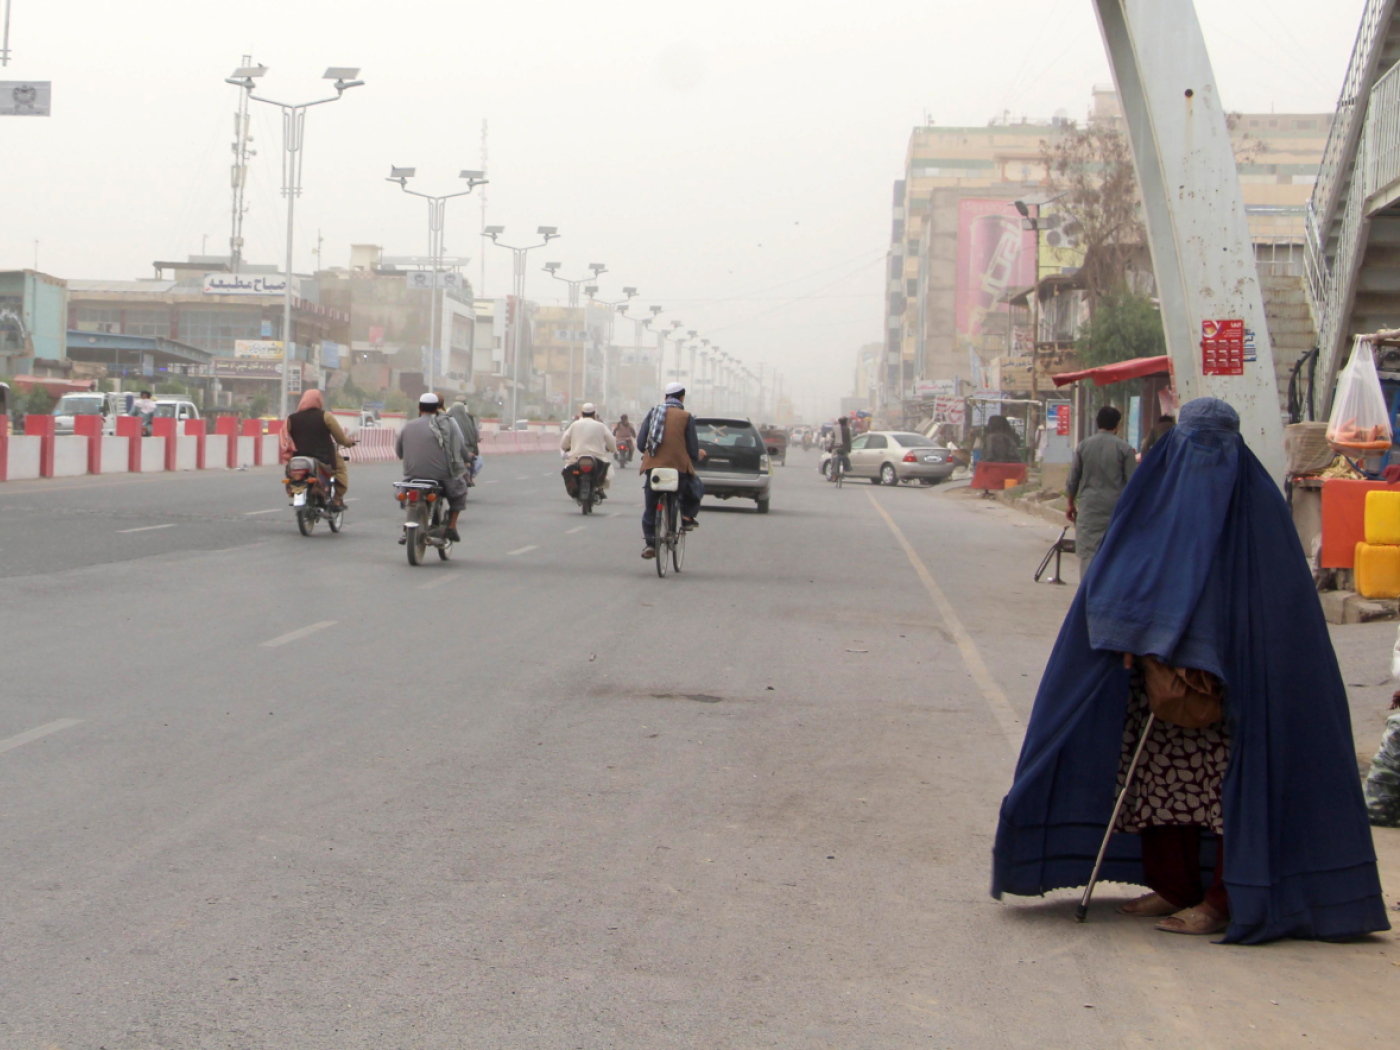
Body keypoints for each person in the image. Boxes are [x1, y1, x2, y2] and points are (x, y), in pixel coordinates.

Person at [992, 398, 1389, 943]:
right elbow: (1116, 578)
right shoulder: (1154, 502)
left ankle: (1225, 898)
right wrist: (1135, 635)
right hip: (1162, 685)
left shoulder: (1258, 513)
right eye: (1195, 443)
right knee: (1159, 786)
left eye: (1215, 445)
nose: (1205, 458)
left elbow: (1280, 610)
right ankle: (1174, 885)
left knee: (1230, 797)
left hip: (1235, 692)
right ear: (1177, 447)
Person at [1066, 405, 1137, 575]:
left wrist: (1070, 503)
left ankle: (1088, 594)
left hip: (1089, 507)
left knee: (1088, 555)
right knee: (1113, 552)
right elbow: (1133, 483)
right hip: (1115, 509)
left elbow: (1073, 478)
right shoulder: (1124, 448)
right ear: (1117, 425)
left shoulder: (1083, 446)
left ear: (1097, 423)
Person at [637, 382, 705, 559]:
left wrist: (650, 454)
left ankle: (650, 543)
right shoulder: (685, 416)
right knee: (694, 486)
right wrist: (697, 456)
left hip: (654, 468)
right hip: (678, 468)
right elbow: (692, 448)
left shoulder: (653, 413)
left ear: (665, 397)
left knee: (651, 506)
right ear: (682, 398)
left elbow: (640, 443)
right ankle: (687, 518)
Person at [396, 393, 469, 543]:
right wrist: (467, 459)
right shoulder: (449, 423)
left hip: (412, 474)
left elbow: (399, 452)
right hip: (441, 476)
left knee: (405, 491)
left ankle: (408, 525)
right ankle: (451, 526)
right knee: (460, 489)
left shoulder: (408, 426)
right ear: (437, 408)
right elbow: (461, 446)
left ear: (419, 407)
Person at [281, 389, 356, 508]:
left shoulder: (291, 419)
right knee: (340, 468)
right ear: (319, 401)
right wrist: (349, 443)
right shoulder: (325, 416)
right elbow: (340, 439)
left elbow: (284, 437)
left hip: (299, 457)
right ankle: (337, 498)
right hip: (324, 457)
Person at [559, 403, 617, 498]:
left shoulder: (574, 425)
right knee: (607, 471)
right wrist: (614, 450)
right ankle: (600, 488)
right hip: (597, 458)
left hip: (576, 458)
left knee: (567, 470)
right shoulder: (600, 426)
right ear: (594, 413)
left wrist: (566, 447)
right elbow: (611, 441)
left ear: (582, 413)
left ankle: (574, 488)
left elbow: (564, 442)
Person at [446, 395, 481, 484]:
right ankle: (469, 477)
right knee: (477, 460)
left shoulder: (447, 417)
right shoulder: (469, 418)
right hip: (466, 448)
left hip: (453, 448)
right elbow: (475, 432)